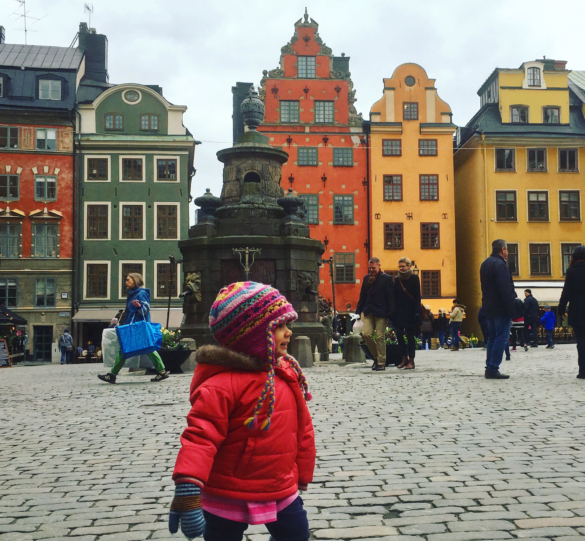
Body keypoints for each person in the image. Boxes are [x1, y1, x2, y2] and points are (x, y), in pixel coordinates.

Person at [168, 282, 315, 541]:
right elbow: (200, 437)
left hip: (279, 486)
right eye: (279, 327)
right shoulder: (221, 385)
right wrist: (188, 487)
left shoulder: (284, 373)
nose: (289, 333)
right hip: (227, 491)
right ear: (254, 336)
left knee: (296, 535)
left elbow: (301, 429)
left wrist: (300, 473)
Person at [97, 273, 169, 384]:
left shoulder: (141, 293)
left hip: (137, 327)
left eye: (128, 280)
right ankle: (161, 371)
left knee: (131, 349)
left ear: (135, 280)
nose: (126, 282)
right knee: (145, 348)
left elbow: (146, 309)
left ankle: (112, 375)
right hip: (134, 326)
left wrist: (139, 306)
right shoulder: (134, 294)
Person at [479, 239, 516, 379]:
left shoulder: (485, 263)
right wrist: (511, 308)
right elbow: (505, 289)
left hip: (488, 306)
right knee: (502, 337)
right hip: (501, 307)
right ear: (503, 249)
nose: (507, 252)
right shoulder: (500, 265)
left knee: (492, 338)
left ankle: (489, 366)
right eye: (507, 249)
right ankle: (493, 367)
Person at [355, 257, 395, 372]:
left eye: (373, 267)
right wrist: (358, 312)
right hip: (368, 311)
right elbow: (362, 296)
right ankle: (376, 358)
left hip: (382, 312)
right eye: (370, 268)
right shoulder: (366, 278)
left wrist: (391, 312)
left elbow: (391, 297)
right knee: (366, 334)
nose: (371, 269)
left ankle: (381, 362)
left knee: (380, 336)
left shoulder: (386, 278)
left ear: (379, 265)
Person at [558, 246, 585, 379]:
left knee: (581, 341)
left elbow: (566, 292)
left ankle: (583, 371)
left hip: (578, 312)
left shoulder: (572, 271)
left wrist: (561, 308)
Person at [393, 257, 421, 370]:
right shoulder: (397, 279)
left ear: (408, 266)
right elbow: (395, 295)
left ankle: (411, 360)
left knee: (410, 337)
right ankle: (403, 358)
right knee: (399, 335)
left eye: (403, 266)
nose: (401, 268)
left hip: (410, 311)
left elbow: (417, 296)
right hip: (399, 311)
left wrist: (417, 312)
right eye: (399, 266)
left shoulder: (414, 278)